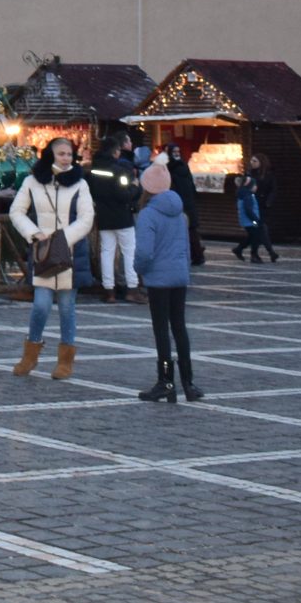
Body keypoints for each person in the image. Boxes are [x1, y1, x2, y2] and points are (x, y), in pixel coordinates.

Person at [9, 135, 95, 380]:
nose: (66, 158)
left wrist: (63, 239)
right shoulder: (32, 181)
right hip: (43, 252)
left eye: (69, 154)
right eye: (61, 154)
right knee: (41, 305)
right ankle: (30, 353)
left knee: (67, 307)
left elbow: (87, 218)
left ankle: (65, 360)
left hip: (70, 252)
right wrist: (34, 233)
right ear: (51, 155)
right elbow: (16, 211)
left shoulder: (80, 184)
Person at [135, 156, 200, 400]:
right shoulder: (180, 214)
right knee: (179, 327)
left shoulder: (148, 215)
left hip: (158, 278)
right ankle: (188, 382)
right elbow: (186, 247)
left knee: (161, 328)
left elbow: (144, 252)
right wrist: (184, 270)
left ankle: (166, 380)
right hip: (178, 276)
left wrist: (139, 269)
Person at [88, 126, 142, 301]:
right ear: (114, 152)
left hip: (104, 217)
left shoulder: (94, 170)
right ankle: (132, 289)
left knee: (107, 253)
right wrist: (135, 188)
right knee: (129, 252)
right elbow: (124, 194)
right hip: (122, 217)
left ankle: (109, 290)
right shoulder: (119, 171)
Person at [165, 145, 206, 266]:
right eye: (175, 151)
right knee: (191, 231)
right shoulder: (183, 165)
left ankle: (195, 255)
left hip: (180, 203)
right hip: (187, 203)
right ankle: (197, 254)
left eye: (178, 151)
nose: (177, 153)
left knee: (187, 231)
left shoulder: (170, 168)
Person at [233, 171, 278, 263]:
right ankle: (255, 255)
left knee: (254, 236)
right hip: (251, 221)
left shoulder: (245, 194)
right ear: (250, 186)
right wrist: (255, 220)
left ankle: (240, 249)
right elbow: (248, 210)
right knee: (257, 235)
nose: (256, 187)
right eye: (254, 185)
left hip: (248, 221)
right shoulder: (247, 196)